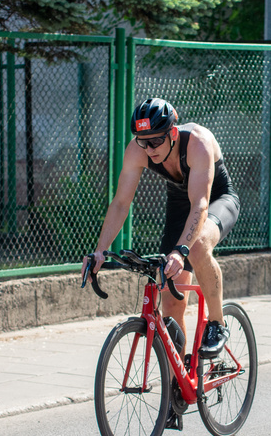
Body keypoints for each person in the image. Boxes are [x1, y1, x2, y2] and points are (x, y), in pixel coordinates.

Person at [82, 98, 240, 357]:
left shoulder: (198, 142)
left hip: (216, 199)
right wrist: (100, 250)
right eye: (143, 141)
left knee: (197, 247)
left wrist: (181, 251)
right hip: (180, 204)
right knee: (171, 304)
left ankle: (217, 324)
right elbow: (121, 203)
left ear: (173, 133)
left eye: (156, 140)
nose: (149, 148)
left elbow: (200, 205)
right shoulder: (137, 150)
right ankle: (176, 386)